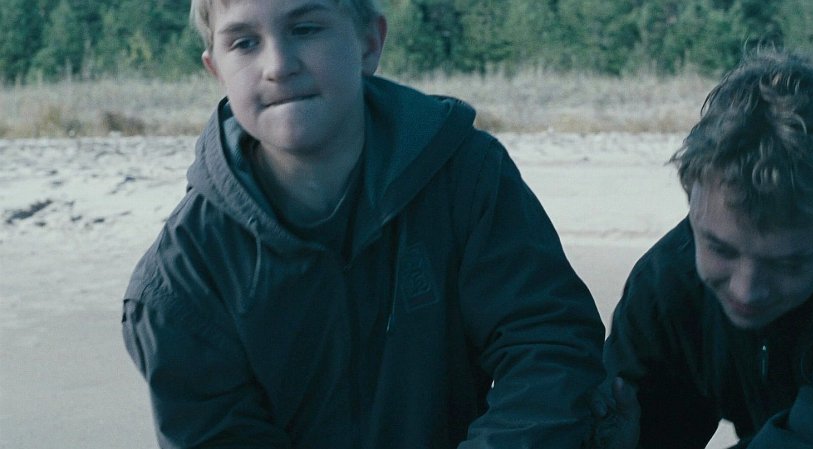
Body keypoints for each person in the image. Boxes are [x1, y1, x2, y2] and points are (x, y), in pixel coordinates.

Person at [121, 0, 606, 447]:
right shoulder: (179, 284)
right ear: (216, 70)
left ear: (369, 43)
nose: (278, 65)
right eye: (244, 42)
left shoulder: (465, 177)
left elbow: (549, 347)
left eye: (305, 29)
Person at [596, 51, 813, 449]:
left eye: (789, 263)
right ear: (691, 196)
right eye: (720, 249)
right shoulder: (665, 286)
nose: (747, 291)